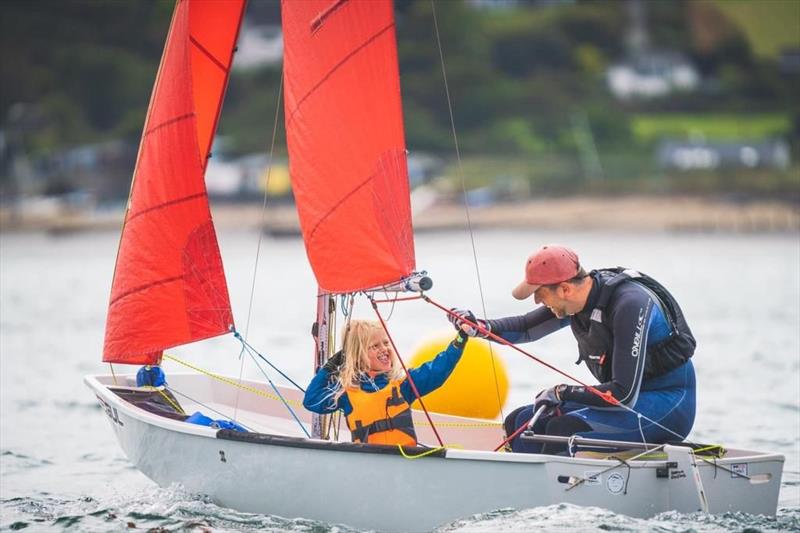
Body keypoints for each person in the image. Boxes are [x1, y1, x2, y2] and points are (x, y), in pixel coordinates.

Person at [450, 244, 696, 454]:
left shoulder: (630, 304)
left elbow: (623, 394)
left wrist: (562, 392)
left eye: (540, 294)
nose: (538, 302)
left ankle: (555, 505)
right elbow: (526, 328)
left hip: (668, 405)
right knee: (521, 422)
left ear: (565, 288)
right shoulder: (575, 302)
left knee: (563, 429)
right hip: (625, 404)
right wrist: (479, 327)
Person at [303, 319, 469, 446]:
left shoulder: (403, 384)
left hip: (403, 461)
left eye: (386, 343)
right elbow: (311, 400)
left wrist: (460, 340)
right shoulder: (347, 392)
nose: (384, 348)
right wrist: (330, 366)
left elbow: (437, 371)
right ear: (358, 354)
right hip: (369, 466)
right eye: (374, 346)